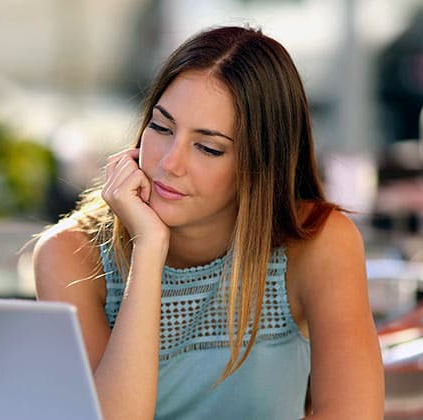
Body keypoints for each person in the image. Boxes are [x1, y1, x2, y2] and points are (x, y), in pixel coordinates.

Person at [33, 26, 384, 420]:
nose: (170, 163)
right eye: (162, 127)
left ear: (260, 166)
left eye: (208, 147)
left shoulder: (319, 242)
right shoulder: (70, 255)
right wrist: (148, 250)